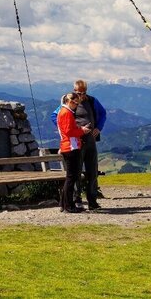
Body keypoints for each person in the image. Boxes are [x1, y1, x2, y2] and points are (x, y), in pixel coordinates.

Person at [72, 79, 107, 209]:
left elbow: (103, 113)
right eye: (79, 93)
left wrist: (99, 127)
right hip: (77, 141)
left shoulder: (92, 101)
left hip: (91, 141)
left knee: (92, 170)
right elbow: (56, 116)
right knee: (77, 170)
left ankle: (92, 200)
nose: (82, 95)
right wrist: (71, 131)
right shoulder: (69, 101)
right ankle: (77, 199)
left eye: (84, 92)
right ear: (74, 91)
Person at [57, 92, 91, 213]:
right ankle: (68, 206)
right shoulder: (66, 113)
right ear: (69, 101)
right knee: (71, 177)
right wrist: (82, 130)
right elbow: (69, 131)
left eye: (77, 103)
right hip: (70, 147)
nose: (76, 105)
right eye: (75, 103)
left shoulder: (65, 112)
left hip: (69, 146)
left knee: (70, 177)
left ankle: (63, 203)